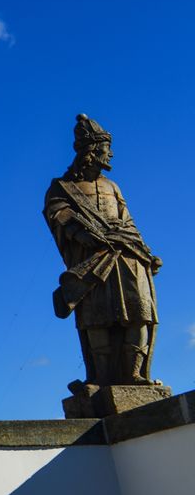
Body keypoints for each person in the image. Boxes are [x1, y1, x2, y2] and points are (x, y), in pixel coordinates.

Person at [44, 114, 162, 387]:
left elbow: (128, 220)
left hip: (130, 257)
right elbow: (56, 214)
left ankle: (134, 374)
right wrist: (82, 234)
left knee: (140, 313)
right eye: (107, 150)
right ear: (92, 152)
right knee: (97, 319)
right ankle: (101, 377)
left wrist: (145, 250)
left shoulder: (113, 187)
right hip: (93, 261)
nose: (111, 155)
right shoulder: (62, 188)